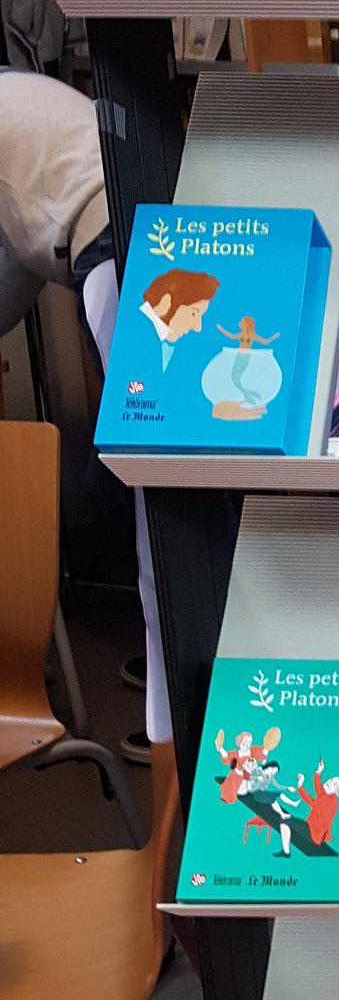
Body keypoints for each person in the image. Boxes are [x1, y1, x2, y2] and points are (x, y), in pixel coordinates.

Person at [0, 72, 167, 769]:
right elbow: (19, 262)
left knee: (149, 481)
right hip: (135, 225)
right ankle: (174, 670)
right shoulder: (16, 101)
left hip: (116, 242)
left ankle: (173, 725)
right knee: (150, 477)